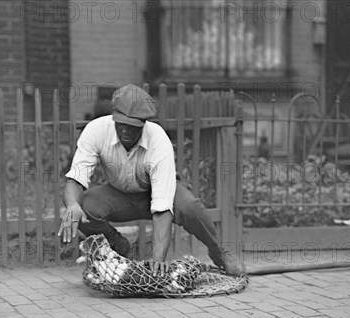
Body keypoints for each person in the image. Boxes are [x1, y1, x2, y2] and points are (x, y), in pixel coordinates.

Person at [58, 84, 246, 276]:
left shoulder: (158, 140)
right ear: (113, 116)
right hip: (119, 194)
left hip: (155, 192)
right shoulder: (96, 130)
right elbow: (76, 179)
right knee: (84, 209)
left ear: (144, 123)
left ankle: (219, 253)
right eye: (121, 124)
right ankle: (123, 249)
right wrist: (73, 205)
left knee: (192, 208)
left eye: (133, 127)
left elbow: (162, 209)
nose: (125, 131)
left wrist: (157, 260)